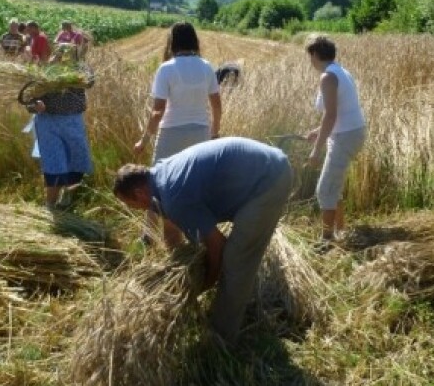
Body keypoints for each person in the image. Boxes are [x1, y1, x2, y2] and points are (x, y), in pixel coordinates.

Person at [113, 137, 293, 345]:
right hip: (259, 169)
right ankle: (236, 303)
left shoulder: (173, 194)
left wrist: (206, 283)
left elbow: (217, 245)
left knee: (236, 259)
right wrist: (176, 272)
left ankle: (220, 339)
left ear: (139, 193)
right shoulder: (159, 177)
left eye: (129, 204)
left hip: (268, 180)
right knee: (233, 260)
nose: (132, 209)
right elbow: (171, 232)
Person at [134, 21, 222, 245]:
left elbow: (157, 112)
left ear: (172, 41)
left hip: (171, 133)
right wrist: (214, 134)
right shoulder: (206, 66)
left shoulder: (167, 69)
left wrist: (144, 140)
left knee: (157, 185)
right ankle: (197, 236)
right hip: (200, 133)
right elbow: (217, 106)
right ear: (194, 40)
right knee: (195, 186)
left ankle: (149, 236)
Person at [304, 34, 366, 245]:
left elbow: (330, 115)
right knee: (333, 186)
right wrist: (317, 131)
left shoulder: (328, 77)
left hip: (345, 136)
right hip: (348, 132)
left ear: (314, 54)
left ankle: (326, 240)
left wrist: (315, 151)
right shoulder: (340, 71)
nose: (309, 61)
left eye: (309, 55)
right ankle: (341, 231)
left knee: (325, 189)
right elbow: (336, 113)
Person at [26, 48, 93, 208]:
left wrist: (77, 70)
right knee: (54, 162)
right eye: (59, 54)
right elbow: (28, 101)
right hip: (48, 123)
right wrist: (36, 105)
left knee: (77, 159)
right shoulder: (43, 74)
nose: (62, 58)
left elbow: (90, 81)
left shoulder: (80, 72)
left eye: (68, 54)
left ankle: (67, 197)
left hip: (73, 121)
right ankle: (50, 205)